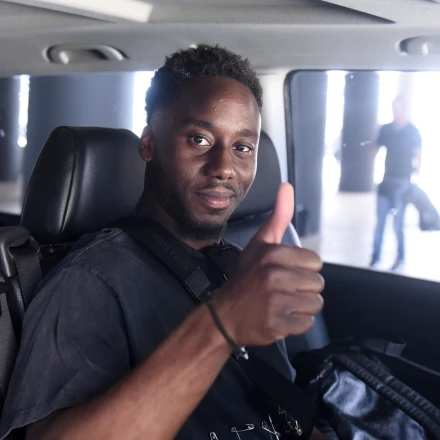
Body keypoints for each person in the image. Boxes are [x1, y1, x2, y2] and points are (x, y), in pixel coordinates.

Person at [0, 45, 326, 440]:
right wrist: (220, 324)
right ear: (149, 144)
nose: (224, 167)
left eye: (242, 147)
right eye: (199, 139)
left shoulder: (243, 267)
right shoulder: (91, 280)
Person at [370, 96, 422, 271]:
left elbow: (418, 155)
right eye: (395, 108)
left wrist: (415, 179)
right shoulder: (385, 129)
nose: (397, 111)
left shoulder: (413, 131)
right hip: (386, 181)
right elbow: (374, 150)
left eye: (400, 108)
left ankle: (400, 258)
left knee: (398, 224)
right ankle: (375, 258)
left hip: (403, 183)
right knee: (380, 223)